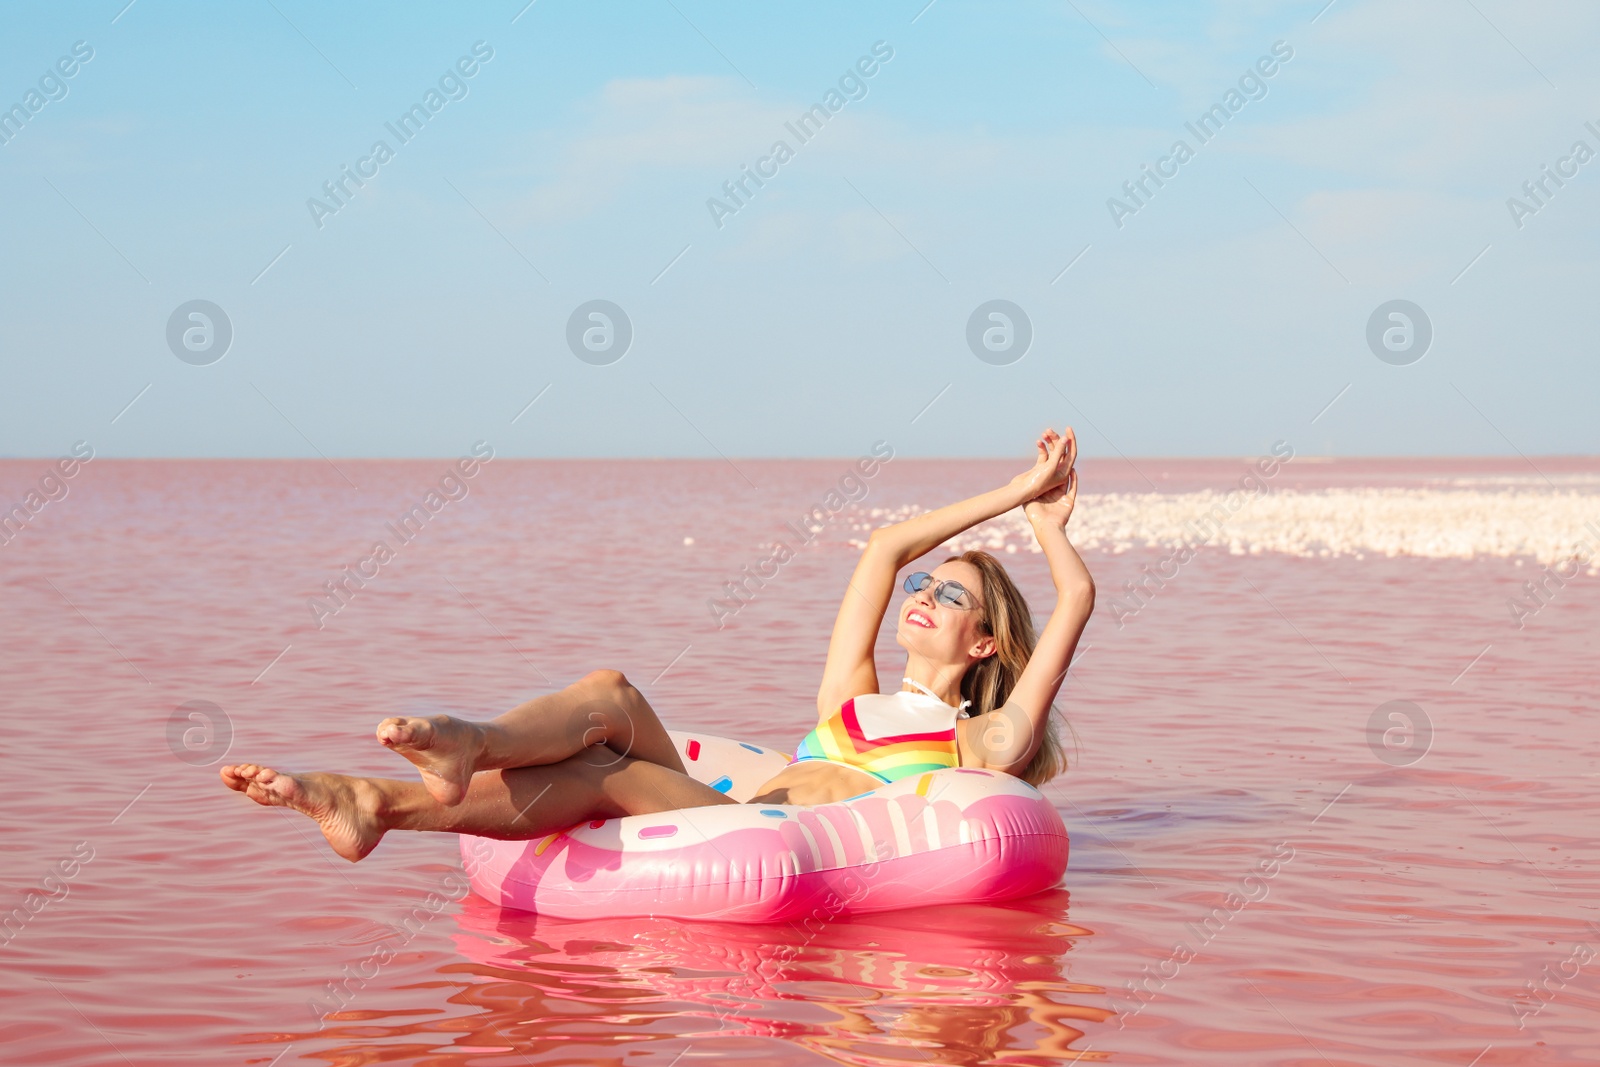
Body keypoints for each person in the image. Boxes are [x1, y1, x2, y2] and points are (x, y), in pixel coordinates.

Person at [220, 427, 1095, 861]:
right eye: (926, 583)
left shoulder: (978, 740)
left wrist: (1042, 514)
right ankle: (471, 742)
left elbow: (1075, 599)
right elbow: (881, 548)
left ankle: (379, 803)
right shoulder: (851, 698)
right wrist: (1005, 487)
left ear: (984, 644)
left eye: (952, 594)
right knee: (611, 688)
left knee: (610, 774)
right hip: (730, 802)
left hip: (785, 834)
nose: (923, 592)